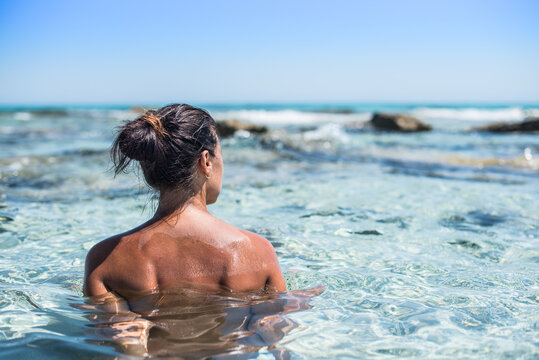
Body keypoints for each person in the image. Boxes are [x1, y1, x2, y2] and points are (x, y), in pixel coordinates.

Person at [83, 104, 286, 299]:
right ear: (206, 161)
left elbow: (110, 330)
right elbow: (273, 329)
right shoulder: (258, 252)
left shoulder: (104, 261)